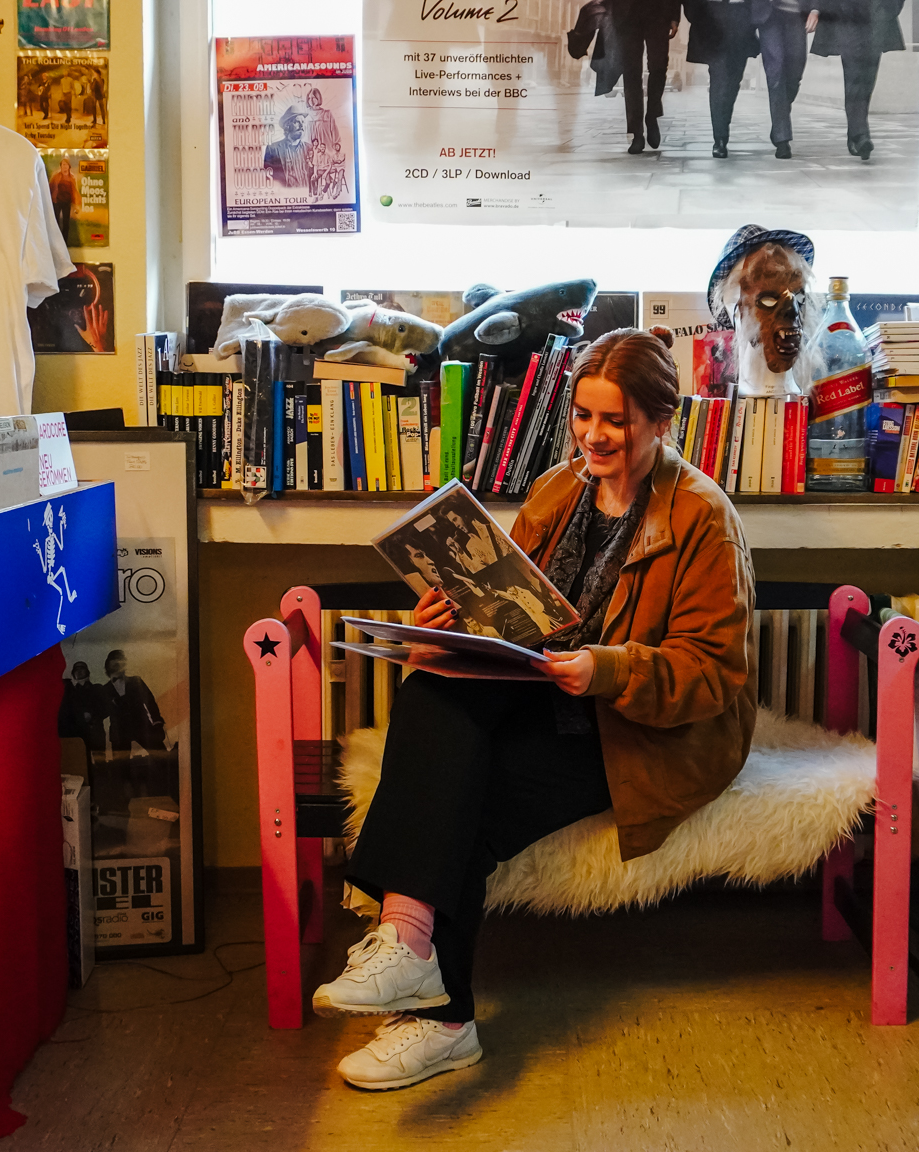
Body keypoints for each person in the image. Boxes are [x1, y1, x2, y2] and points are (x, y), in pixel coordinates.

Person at [315, 328, 756, 1091]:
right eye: (583, 416)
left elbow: (713, 673)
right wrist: (451, 615)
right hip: (546, 694)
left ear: (661, 420)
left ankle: (438, 1014)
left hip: (637, 731)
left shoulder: (702, 518)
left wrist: (606, 669)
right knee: (434, 686)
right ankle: (407, 946)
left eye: (614, 421)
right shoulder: (558, 490)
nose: (593, 435)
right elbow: (515, 606)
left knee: (466, 807)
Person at [809, 0, 907, 160]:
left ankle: (855, 131)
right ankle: (861, 135)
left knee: (867, 79)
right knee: (854, 76)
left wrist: (889, 10)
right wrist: (817, 9)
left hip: (877, 17)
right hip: (847, 17)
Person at [682, 0, 759, 158]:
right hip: (712, 16)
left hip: (741, 16)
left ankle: (722, 129)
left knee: (733, 81)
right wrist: (696, 13)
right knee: (719, 79)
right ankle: (720, 138)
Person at [612, 0, 682, 153]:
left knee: (658, 66)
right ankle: (636, 133)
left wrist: (674, 16)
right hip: (627, 14)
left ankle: (652, 115)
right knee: (631, 72)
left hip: (659, 12)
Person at [751, 0, 818, 158]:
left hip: (798, 14)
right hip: (769, 15)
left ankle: (779, 124)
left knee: (794, 74)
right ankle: (782, 139)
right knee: (776, 72)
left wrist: (815, 9)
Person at [103, 649, 167, 751]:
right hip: (119, 732)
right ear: (107, 665)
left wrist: (157, 721)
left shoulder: (136, 681)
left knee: (161, 757)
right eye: (113, 659)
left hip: (142, 726)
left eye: (119, 659)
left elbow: (150, 701)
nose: (116, 662)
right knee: (121, 765)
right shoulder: (104, 689)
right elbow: (102, 712)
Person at [58, 660, 109, 752]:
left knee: (99, 760)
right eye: (76, 670)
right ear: (73, 674)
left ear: (87, 672)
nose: (79, 671)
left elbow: (106, 709)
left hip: (95, 733)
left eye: (82, 668)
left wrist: (92, 715)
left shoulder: (98, 688)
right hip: (78, 734)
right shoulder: (70, 693)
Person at [264, 103, 311, 189]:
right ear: (287, 126)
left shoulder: (310, 149)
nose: (301, 126)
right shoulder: (272, 149)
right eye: (297, 122)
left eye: (303, 122)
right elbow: (268, 180)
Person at [48, 156, 78, 242]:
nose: (64, 167)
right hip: (57, 201)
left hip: (67, 202)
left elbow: (74, 191)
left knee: (66, 222)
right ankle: (56, 240)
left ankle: (64, 241)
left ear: (69, 166)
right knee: (56, 221)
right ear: (60, 166)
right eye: (63, 165)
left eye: (66, 165)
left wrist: (75, 204)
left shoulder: (72, 177)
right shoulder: (56, 176)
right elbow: (50, 188)